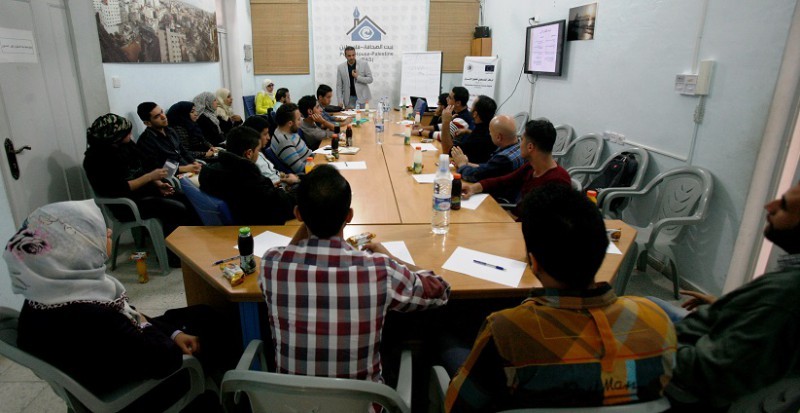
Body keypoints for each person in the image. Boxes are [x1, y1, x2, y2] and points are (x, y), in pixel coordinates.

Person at [445, 184, 676, 412]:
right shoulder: (657, 319)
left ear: (534, 262)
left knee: (445, 336)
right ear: (601, 250)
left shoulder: (507, 331)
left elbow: (458, 406)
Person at [3, 200, 236, 410]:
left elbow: (128, 320)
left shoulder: (43, 298)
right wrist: (151, 327)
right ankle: (233, 391)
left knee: (198, 314)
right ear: (73, 250)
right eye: (93, 230)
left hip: (112, 360)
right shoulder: (92, 316)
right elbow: (165, 360)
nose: (108, 231)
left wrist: (173, 333)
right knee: (213, 327)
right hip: (138, 391)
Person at [258, 165, 450, 384]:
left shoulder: (272, 264)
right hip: (364, 400)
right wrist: (392, 259)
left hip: (289, 400)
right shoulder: (380, 269)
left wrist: (310, 217)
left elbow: (288, 253)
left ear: (298, 214)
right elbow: (440, 289)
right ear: (349, 216)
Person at [657, 182, 800, 409]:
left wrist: (651, 341)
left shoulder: (785, 295)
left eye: (783, 206)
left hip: (679, 381)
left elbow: (707, 373)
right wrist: (726, 305)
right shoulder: (784, 290)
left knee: (623, 319)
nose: (769, 206)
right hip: (711, 337)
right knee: (651, 304)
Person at [83, 113, 197, 246]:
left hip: (144, 193)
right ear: (114, 136)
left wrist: (158, 184)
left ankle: (196, 242)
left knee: (185, 197)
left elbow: (143, 167)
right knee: (176, 208)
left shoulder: (125, 145)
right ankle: (175, 251)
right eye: (126, 132)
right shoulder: (96, 159)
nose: (130, 134)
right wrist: (150, 177)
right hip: (125, 204)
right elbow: (120, 188)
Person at [462, 119, 570, 217]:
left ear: (530, 147)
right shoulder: (531, 167)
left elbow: (543, 222)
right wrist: (473, 188)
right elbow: (504, 180)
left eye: (522, 140)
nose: (519, 144)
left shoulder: (558, 181)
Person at [199, 126, 295, 225]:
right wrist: (296, 185)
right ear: (249, 153)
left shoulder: (210, 171)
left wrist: (268, 187)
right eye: (258, 150)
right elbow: (284, 207)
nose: (258, 154)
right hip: (258, 227)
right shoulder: (247, 178)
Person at [451, 115, 523, 182]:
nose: (490, 134)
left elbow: (473, 175)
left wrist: (462, 165)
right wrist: (466, 163)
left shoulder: (504, 159)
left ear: (499, 137)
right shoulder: (519, 147)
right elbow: (489, 167)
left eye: (490, 132)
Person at [136, 102, 203, 175]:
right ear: (147, 123)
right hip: (172, 176)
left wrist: (194, 162)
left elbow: (183, 150)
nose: (163, 117)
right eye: (157, 116)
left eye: (162, 112)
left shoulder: (170, 130)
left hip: (188, 168)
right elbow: (155, 168)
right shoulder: (146, 141)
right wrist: (184, 168)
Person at [243, 116, 300, 187]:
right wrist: (294, 182)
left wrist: (285, 177)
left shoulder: (260, 153)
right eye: (265, 134)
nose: (268, 138)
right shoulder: (253, 160)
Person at [446, 95, 497, 164]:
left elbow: (448, 150)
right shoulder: (490, 130)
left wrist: (446, 123)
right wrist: (468, 131)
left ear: (475, 114)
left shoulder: (476, 139)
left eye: (472, 106)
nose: (469, 108)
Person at [270, 103, 313, 174]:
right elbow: (300, 169)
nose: (301, 121)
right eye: (298, 119)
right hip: (308, 171)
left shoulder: (287, 129)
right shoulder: (285, 141)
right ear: (290, 123)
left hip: (311, 160)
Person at [439, 86, 475, 156]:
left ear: (458, 103)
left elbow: (442, 136)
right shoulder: (455, 113)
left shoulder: (462, 119)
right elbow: (441, 129)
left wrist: (420, 131)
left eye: (450, 97)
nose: (446, 99)